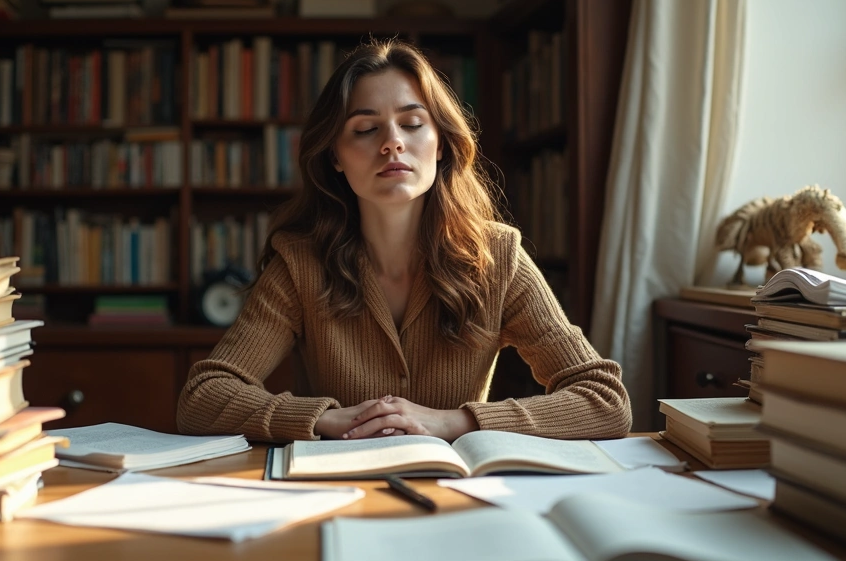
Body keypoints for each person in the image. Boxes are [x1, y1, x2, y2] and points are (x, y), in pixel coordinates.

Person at [177, 39, 631, 443]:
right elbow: (203, 397)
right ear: (335, 155)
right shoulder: (301, 264)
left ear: (441, 144)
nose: (392, 143)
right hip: (337, 489)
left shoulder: (497, 257)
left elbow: (605, 401)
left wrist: (455, 422)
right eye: (365, 129)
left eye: (412, 123)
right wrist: (326, 419)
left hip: (456, 491)